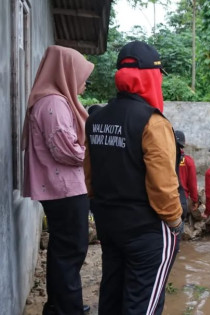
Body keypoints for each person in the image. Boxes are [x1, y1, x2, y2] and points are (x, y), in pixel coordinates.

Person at [84, 40, 183, 314]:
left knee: (113, 294)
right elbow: (163, 187)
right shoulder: (153, 122)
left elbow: (88, 177)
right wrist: (175, 222)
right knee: (143, 303)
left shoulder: (95, 119)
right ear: (151, 77)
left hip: (109, 224)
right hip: (146, 229)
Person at [22, 45, 93, 315]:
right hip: (65, 189)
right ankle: (68, 309)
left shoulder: (53, 100)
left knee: (63, 248)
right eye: (81, 74)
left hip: (61, 189)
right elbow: (66, 150)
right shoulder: (54, 103)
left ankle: (58, 305)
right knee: (71, 250)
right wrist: (91, 153)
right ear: (66, 72)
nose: (84, 81)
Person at [175, 130, 199, 221]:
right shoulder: (188, 161)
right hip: (181, 199)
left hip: (167, 199)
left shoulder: (165, 159)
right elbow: (192, 183)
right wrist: (195, 200)